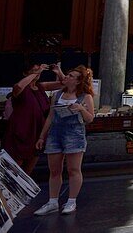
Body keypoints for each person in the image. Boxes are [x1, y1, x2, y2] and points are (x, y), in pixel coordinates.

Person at [33, 66, 95, 216]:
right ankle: (52, 201)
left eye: (71, 75)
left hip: (74, 132)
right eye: (67, 74)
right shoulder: (57, 94)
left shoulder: (85, 97)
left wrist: (81, 109)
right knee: (54, 170)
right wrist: (42, 136)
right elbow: (50, 116)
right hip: (55, 132)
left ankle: (71, 200)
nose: (66, 77)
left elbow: (90, 118)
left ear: (78, 81)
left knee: (73, 169)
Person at [3, 62, 65, 173]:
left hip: (37, 130)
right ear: (26, 73)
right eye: (34, 70)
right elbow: (18, 87)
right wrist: (35, 73)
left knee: (29, 167)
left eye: (39, 71)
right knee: (15, 166)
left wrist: (58, 71)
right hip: (21, 131)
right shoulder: (21, 89)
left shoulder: (41, 86)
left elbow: (64, 84)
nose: (38, 73)